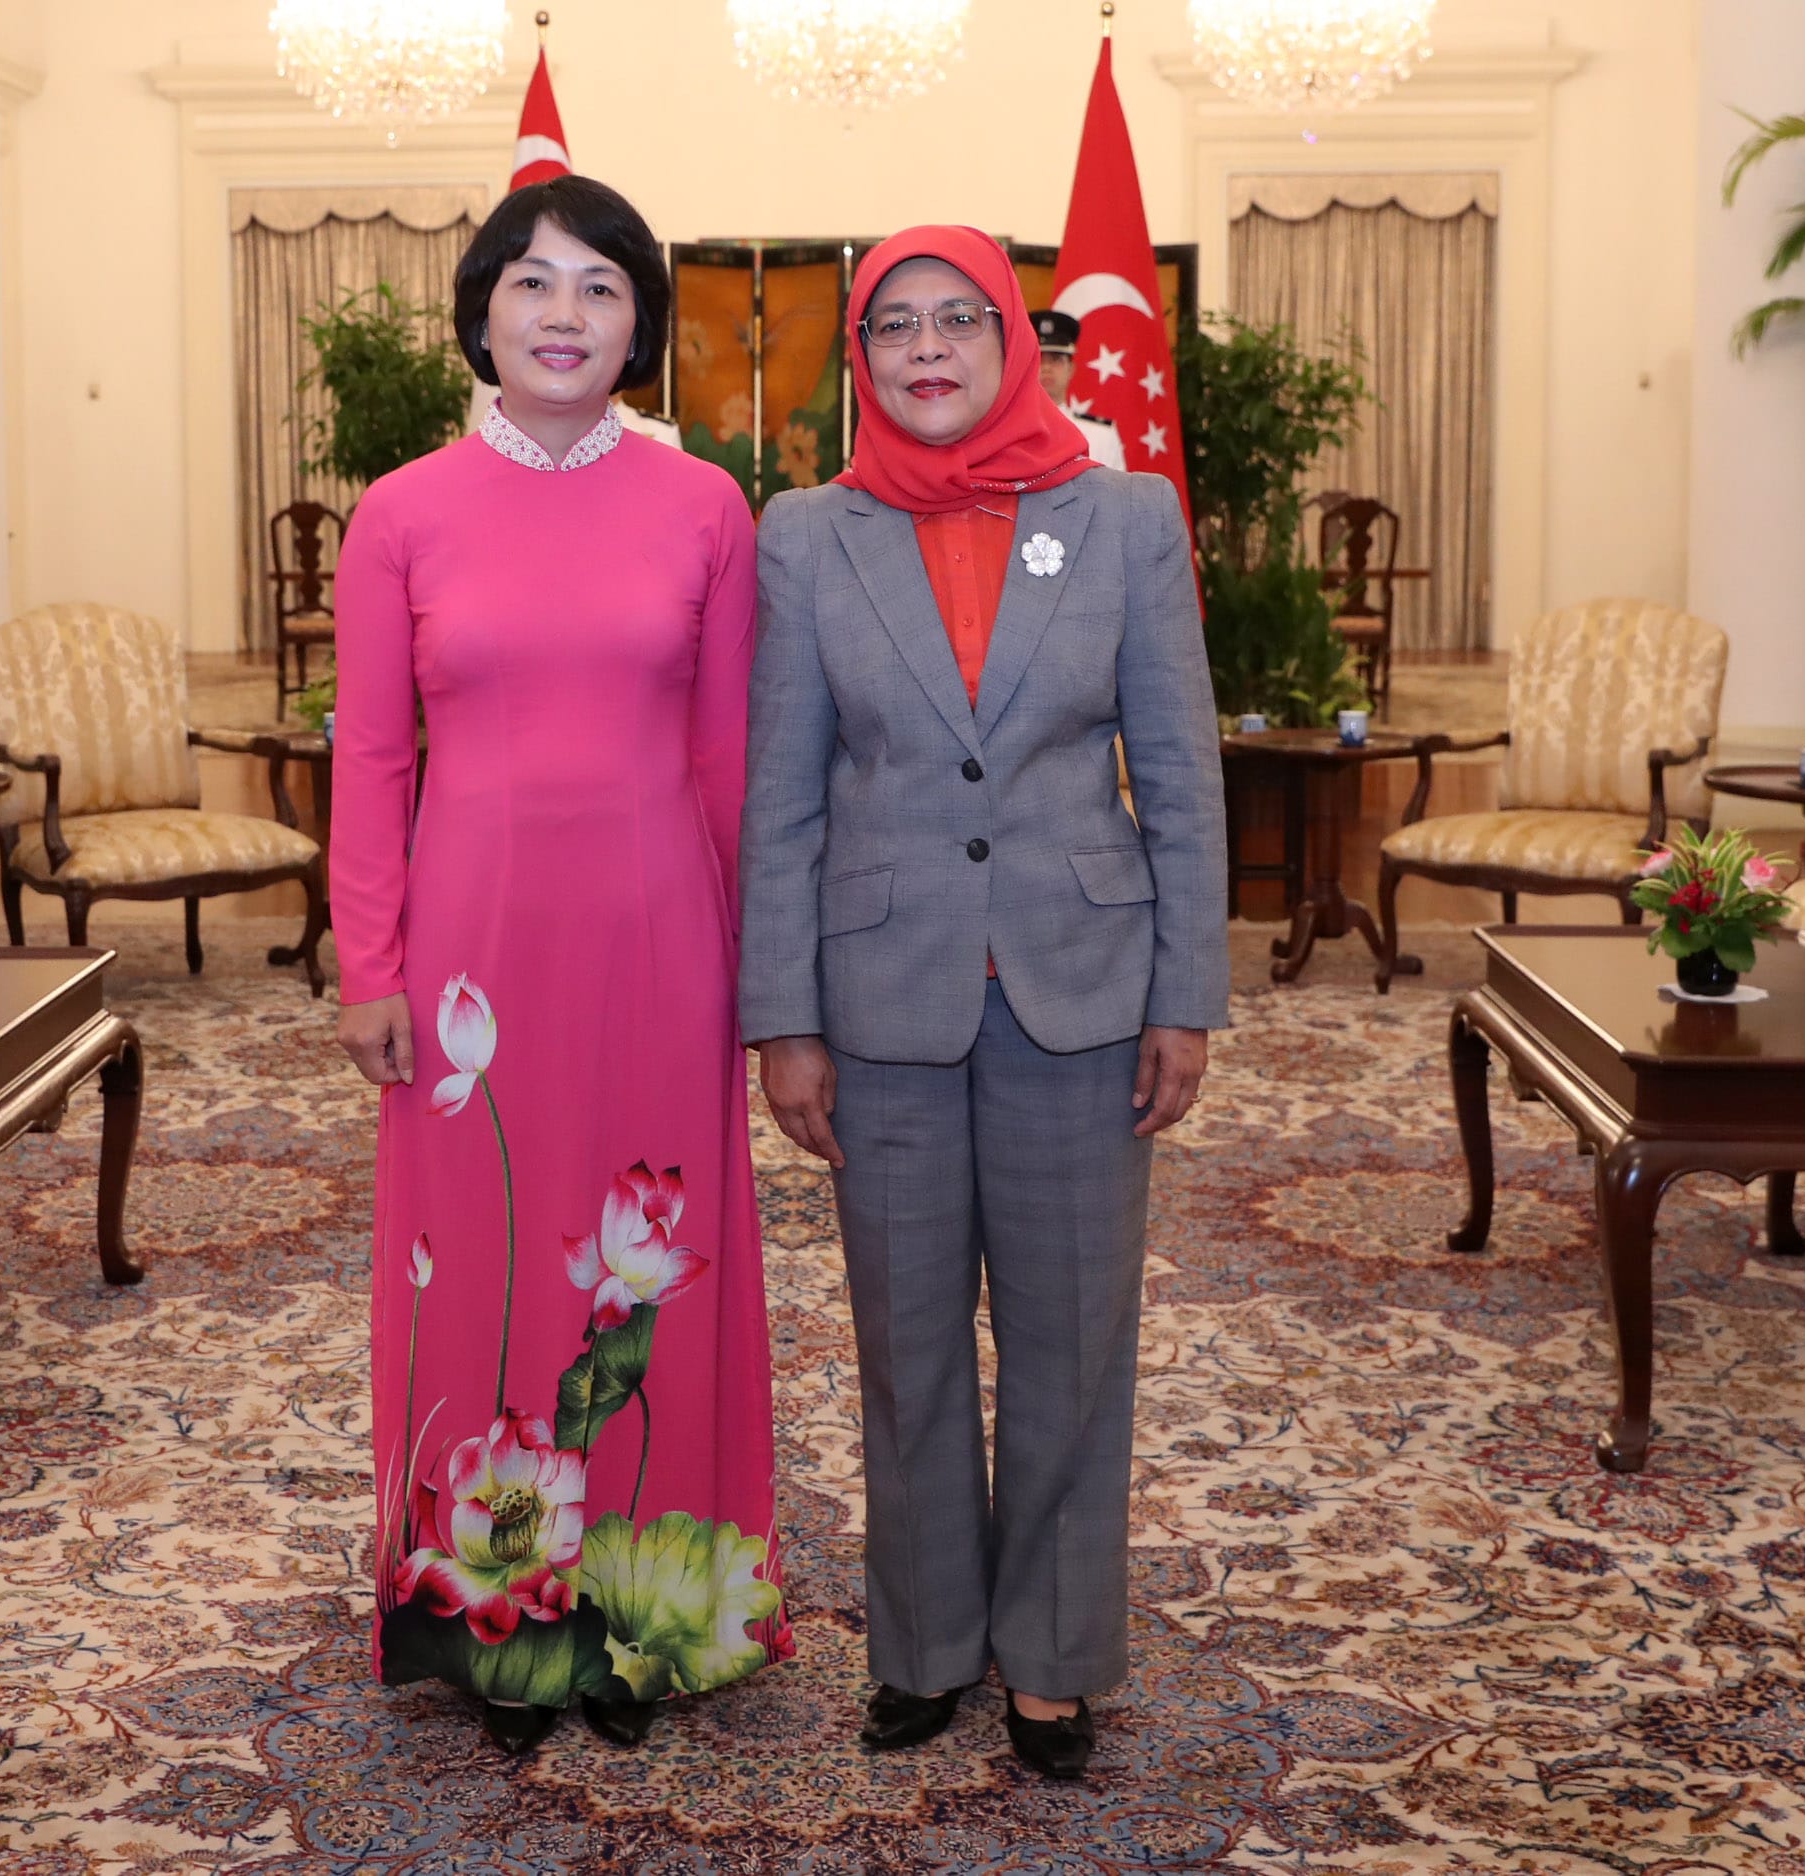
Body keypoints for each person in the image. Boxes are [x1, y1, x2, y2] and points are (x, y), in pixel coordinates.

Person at [739, 227, 1226, 1780]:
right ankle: (927, 1644)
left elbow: (1181, 772)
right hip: (879, 992)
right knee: (904, 1342)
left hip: (1081, 990)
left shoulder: (1120, 517)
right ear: (860, 355)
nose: (927, 349)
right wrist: (781, 1017)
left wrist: (1186, 991)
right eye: (894, 326)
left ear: (1019, 341)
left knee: (1071, 1338)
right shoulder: (807, 533)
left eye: (960, 319)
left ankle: (1053, 1659)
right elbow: (782, 797)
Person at [333, 174, 789, 1757]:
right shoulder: (399, 512)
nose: (562, 316)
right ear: (481, 312)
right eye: (532, 284)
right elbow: (370, 763)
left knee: (643, 1276)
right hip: (467, 969)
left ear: (638, 330)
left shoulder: (704, 511)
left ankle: (644, 1622)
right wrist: (369, 968)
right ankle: (490, 1632)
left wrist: (766, 976)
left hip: (663, 947)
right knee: (485, 1262)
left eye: (599, 289)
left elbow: (731, 763)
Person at [1029, 307, 1124, 470]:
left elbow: (1116, 495)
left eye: (1056, 360)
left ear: (1071, 369)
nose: (1046, 368)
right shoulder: (1009, 433)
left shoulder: (1101, 435)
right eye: (1039, 358)